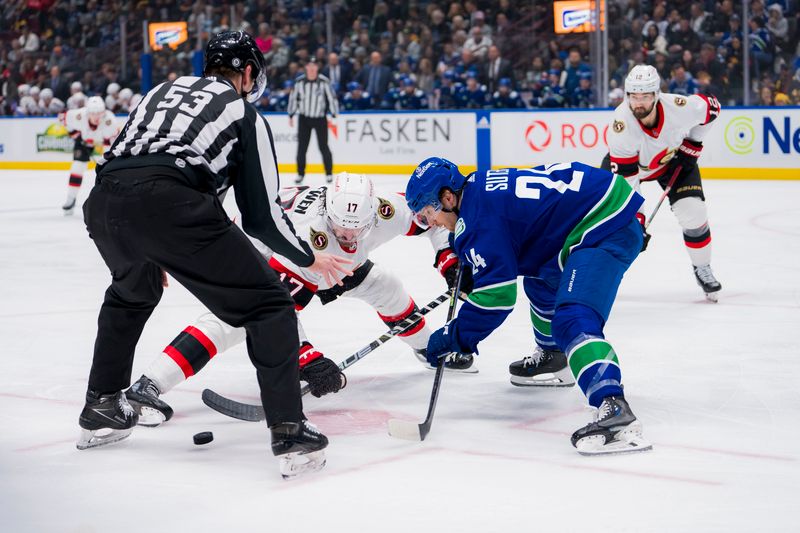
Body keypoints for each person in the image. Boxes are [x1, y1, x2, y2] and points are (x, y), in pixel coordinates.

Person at [76, 31, 351, 479]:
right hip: (171, 203)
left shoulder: (158, 91)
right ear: (247, 73)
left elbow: (131, 161)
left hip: (105, 204)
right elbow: (260, 217)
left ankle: (102, 405)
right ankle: (289, 430)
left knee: (131, 294)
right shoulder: (244, 112)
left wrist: (152, 247)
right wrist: (307, 259)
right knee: (269, 306)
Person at [125, 173, 476, 425]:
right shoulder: (310, 234)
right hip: (256, 255)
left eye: (358, 228)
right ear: (328, 215)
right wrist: (307, 358)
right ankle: (149, 385)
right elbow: (277, 311)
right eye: (342, 229)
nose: (352, 236)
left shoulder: (386, 210)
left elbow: (433, 221)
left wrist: (448, 259)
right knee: (229, 323)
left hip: (330, 264)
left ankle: (427, 347)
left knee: (386, 287)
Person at [405, 157, 652, 455]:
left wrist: (454, 336)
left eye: (429, 213)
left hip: (603, 227)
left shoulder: (477, 221)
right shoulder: (475, 191)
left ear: (447, 198)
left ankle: (613, 409)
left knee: (573, 318)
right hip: (597, 211)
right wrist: (475, 266)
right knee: (541, 280)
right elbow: (510, 234)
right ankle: (554, 355)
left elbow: (496, 301)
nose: (429, 223)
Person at [601, 64, 722, 301]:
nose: (638, 103)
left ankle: (702, 267)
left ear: (656, 95)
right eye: (633, 96)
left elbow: (713, 108)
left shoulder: (679, 107)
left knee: (694, 214)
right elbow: (629, 182)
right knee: (607, 222)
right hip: (630, 168)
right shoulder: (620, 126)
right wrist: (637, 220)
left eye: (645, 96)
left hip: (673, 163)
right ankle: (597, 275)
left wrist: (694, 143)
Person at [60, 96, 119, 214]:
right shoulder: (79, 115)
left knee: (107, 172)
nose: (97, 116)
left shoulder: (110, 121)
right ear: (88, 112)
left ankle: (109, 200)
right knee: (77, 167)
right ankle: (71, 198)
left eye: (99, 113)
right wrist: (74, 134)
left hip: (102, 144)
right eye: (93, 113)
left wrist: (108, 158)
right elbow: (62, 118)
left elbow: (112, 142)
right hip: (84, 142)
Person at [288, 58, 339, 185]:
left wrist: (334, 114)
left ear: (317, 68)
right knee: (302, 147)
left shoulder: (324, 81)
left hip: (320, 118)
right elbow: (294, 98)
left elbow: (331, 98)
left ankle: (328, 173)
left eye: (314, 66)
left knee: (323, 146)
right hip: (304, 118)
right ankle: (300, 173)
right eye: (309, 66)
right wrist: (291, 114)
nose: (311, 68)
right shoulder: (299, 82)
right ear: (306, 67)